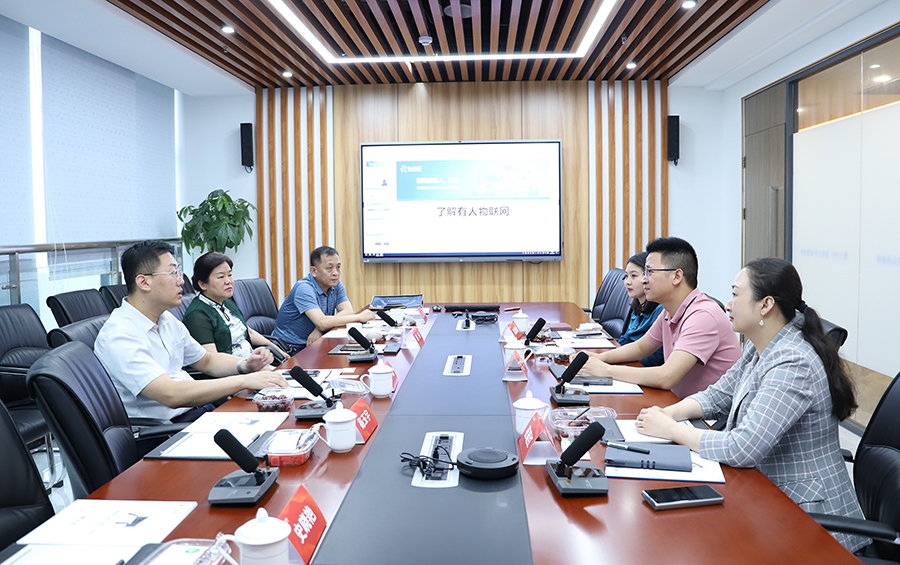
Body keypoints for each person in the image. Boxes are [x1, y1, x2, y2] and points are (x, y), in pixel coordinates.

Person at [635, 258, 867, 552]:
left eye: (735, 294)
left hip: (809, 520)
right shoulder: (761, 345)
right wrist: (667, 413)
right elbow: (717, 395)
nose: (728, 304)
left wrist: (672, 430)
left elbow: (743, 448)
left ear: (766, 305)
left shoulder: (792, 361)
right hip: (766, 496)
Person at [95, 240, 289, 423]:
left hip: (198, 412)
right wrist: (245, 380)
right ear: (144, 282)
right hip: (168, 430)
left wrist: (245, 365)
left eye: (179, 273)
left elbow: (207, 360)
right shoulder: (120, 335)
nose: (181, 281)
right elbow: (171, 394)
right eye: (173, 273)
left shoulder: (166, 319)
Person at [581, 237, 740, 398]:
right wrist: (600, 358)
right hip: (679, 403)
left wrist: (606, 370)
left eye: (650, 272)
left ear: (677, 276)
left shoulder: (703, 316)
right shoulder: (669, 312)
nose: (644, 280)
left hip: (706, 413)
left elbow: (666, 377)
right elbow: (640, 348)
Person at [182, 251, 288, 360]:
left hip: (254, 362)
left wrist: (279, 351)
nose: (228, 281)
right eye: (221, 277)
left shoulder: (226, 302)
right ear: (203, 284)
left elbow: (248, 331)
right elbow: (212, 360)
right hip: (236, 368)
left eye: (230, 275)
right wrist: (249, 365)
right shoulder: (197, 315)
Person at [273, 246, 376, 351]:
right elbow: (322, 323)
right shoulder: (304, 288)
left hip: (316, 344)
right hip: (289, 349)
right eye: (329, 268)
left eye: (338, 267)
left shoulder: (336, 284)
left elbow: (348, 312)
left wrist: (320, 328)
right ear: (314, 271)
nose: (335, 273)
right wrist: (359, 317)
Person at [617, 252, 664, 367]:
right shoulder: (637, 305)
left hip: (643, 369)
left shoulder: (661, 310)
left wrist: (622, 362)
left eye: (633, 276)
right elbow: (625, 339)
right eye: (626, 276)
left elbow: (656, 356)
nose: (627, 282)